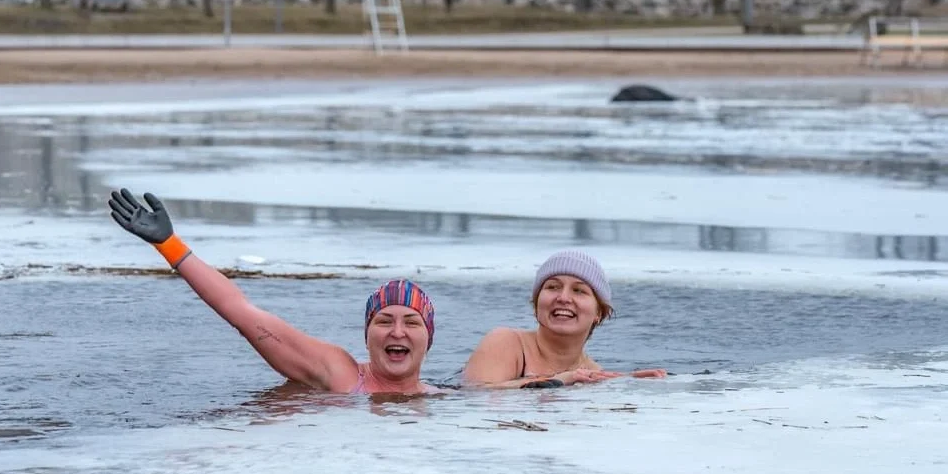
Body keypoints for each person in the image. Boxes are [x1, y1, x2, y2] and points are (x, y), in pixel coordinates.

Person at [108, 188, 438, 395]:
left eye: (411, 322)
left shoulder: (443, 401)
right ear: (367, 335)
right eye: (384, 321)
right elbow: (242, 313)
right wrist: (170, 245)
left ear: (429, 337)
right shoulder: (341, 376)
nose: (397, 331)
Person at [462, 250, 667, 389]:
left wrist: (626, 383)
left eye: (579, 291)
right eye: (553, 287)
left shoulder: (592, 372)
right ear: (536, 304)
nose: (563, 298)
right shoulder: (506, 342)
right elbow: (475, 397)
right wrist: (556, 381)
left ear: (598, 313)